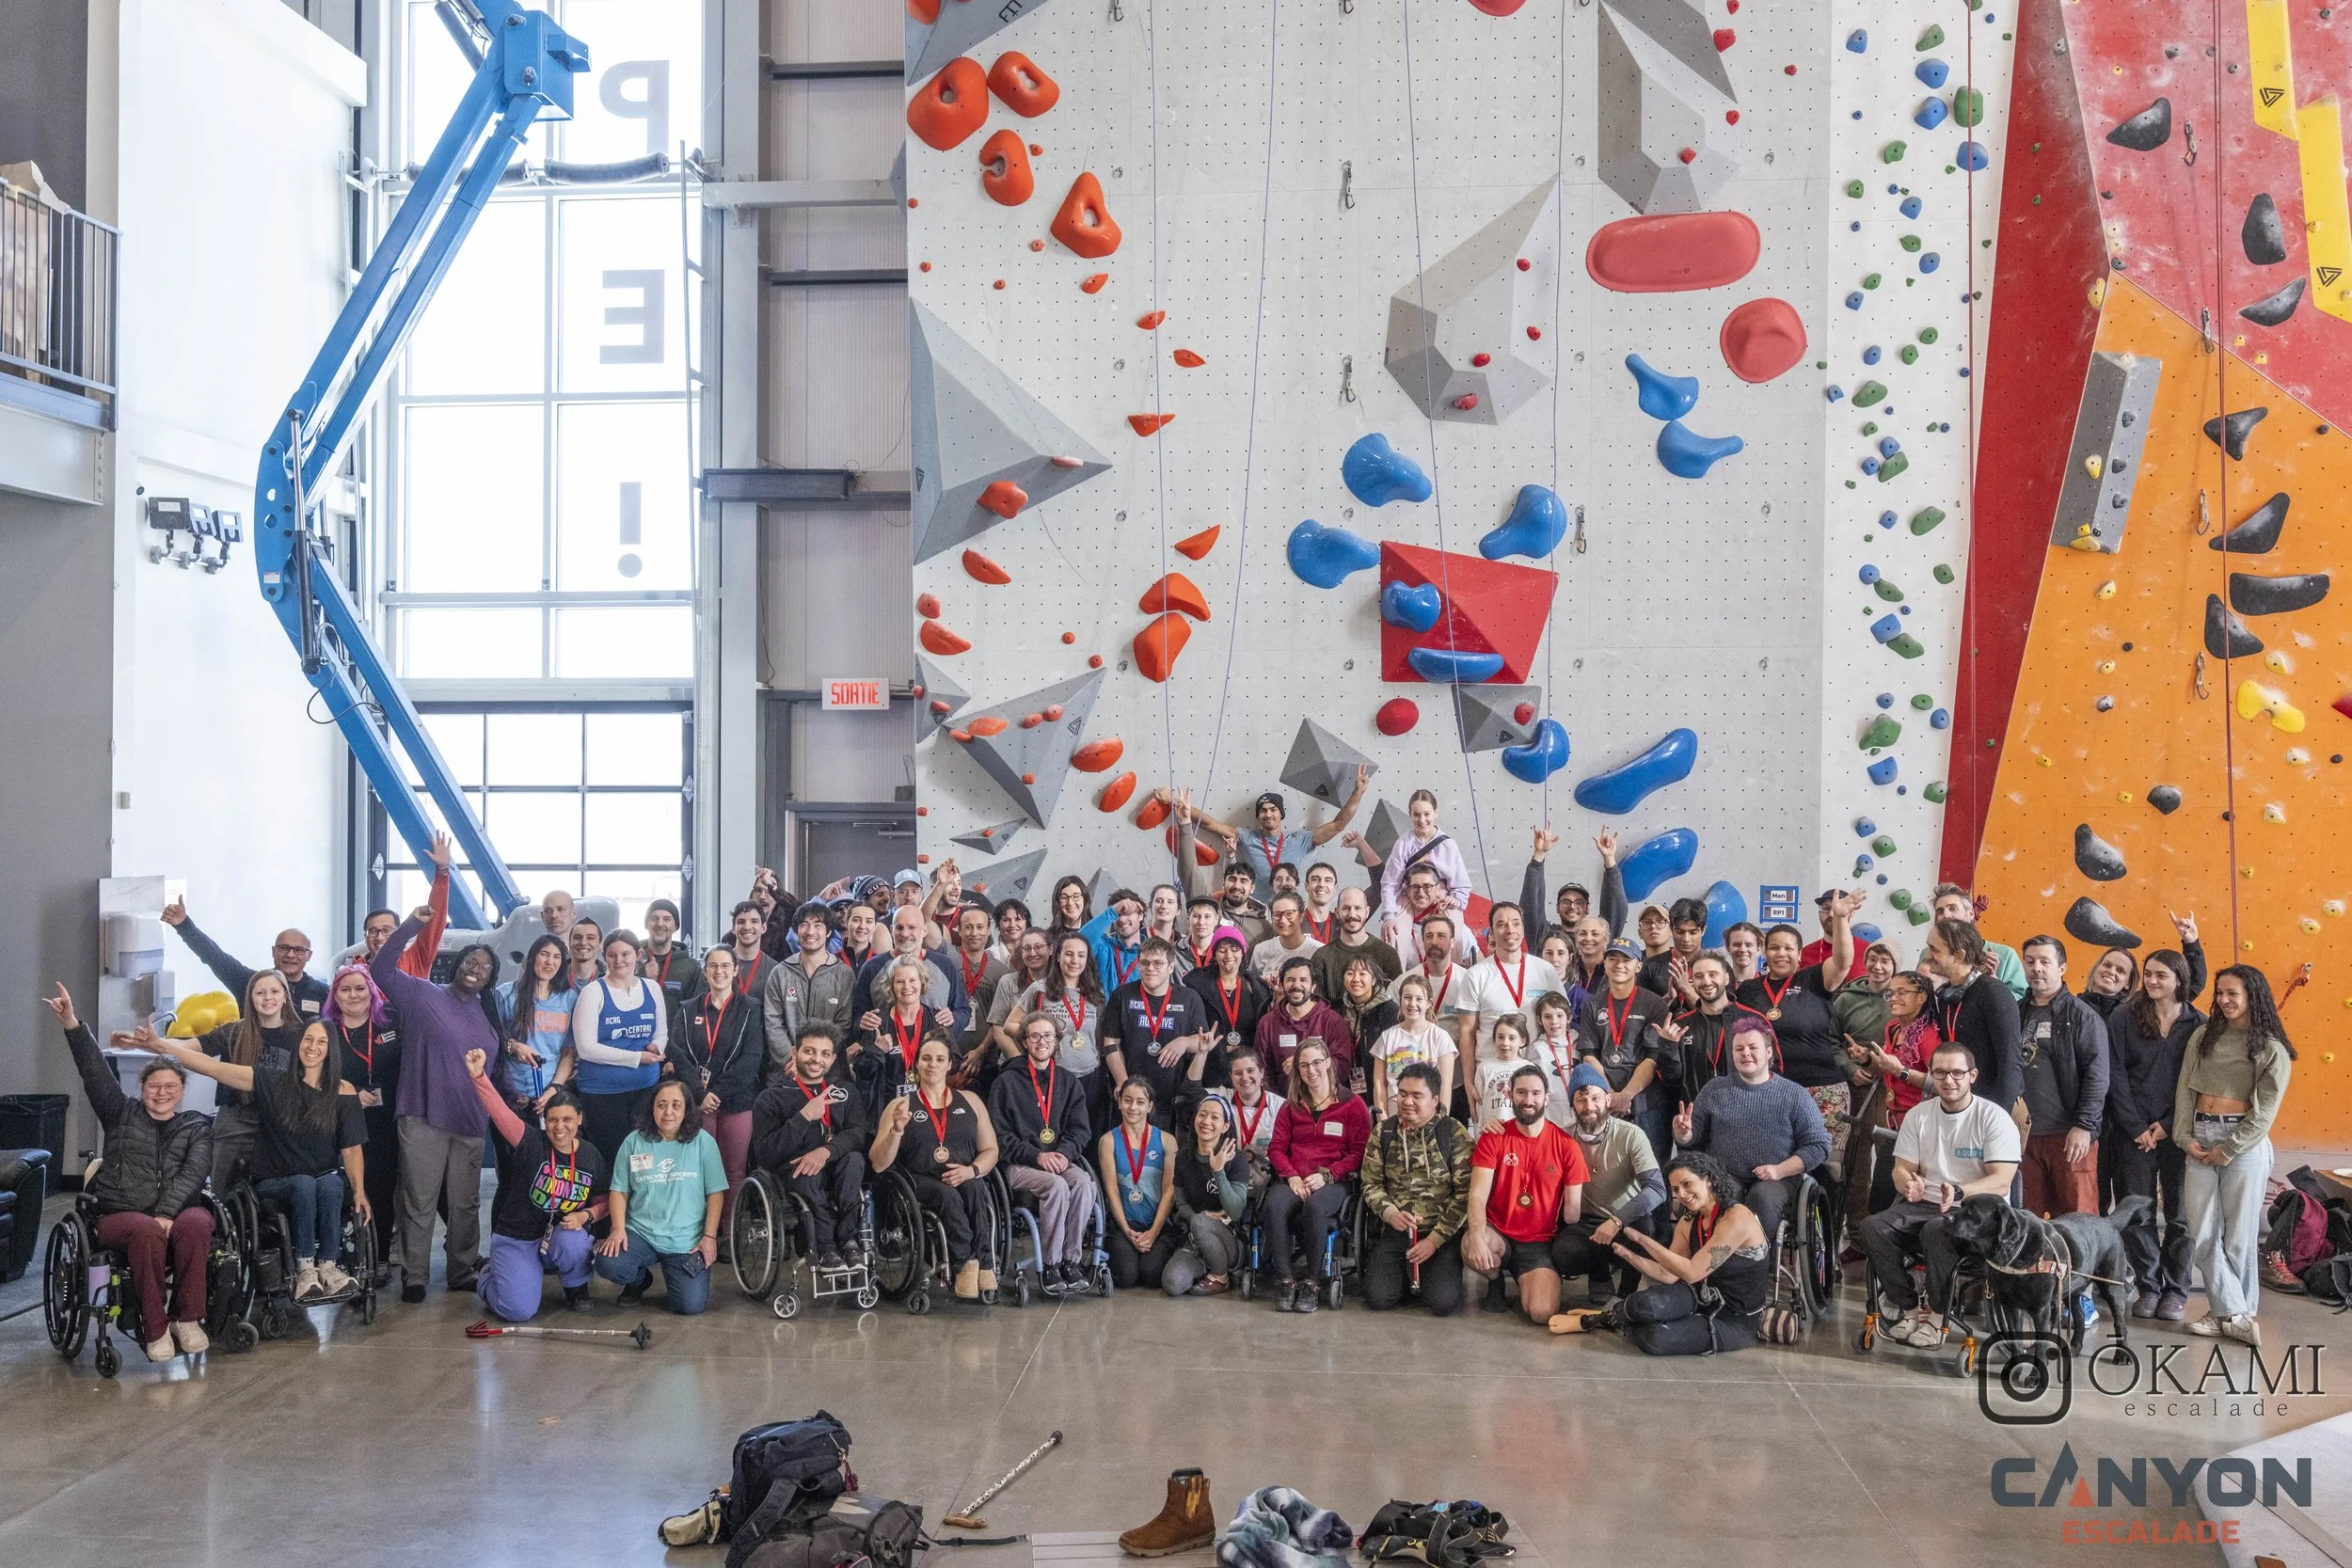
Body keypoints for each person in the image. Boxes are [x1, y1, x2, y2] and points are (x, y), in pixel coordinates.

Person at [45, 985, 215, 1361]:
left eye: (171, 1087)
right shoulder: (120, 1112)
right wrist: (72, 1024)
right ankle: (154, 1328)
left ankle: (188, 1320)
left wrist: (168, 1212)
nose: (162, 1093)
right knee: (145, 1230)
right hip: (119, 1214)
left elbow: (194, 1172)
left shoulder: (196, 1125)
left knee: (199, 1223)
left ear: (182, 1091)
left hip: (179, 1210)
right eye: (154, 1086)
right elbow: (93, 1071)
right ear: (141, 1088)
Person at [151, 1020, 366, 1301]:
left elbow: (351, 1149)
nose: (312, 1047)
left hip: (319, 1180)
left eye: (321, 1042)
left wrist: (360, 1191)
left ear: (331, 1049)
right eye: (307, 1040)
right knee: (304, 1184)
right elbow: (213, 1067)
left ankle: (328, 1266)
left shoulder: (343, 1091)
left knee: (331, 1184)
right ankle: (304, 1271)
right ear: (298, 1045)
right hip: (274, 1181)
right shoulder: (272, 1081)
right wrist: (161, 1046)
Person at [1854, 1043, 2022, 1347]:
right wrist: (1907, 1183)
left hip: (1978, 1212)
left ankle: (1936, 1316)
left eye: (1957, 1072)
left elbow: (2002, 1181)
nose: (1949, 1080)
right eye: (1940, 1072)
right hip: (1925, 1203)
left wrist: (1960, 1191)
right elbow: (1900, 1169)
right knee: (1872, 1227)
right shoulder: (1919, 1116)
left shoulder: (1994, 1119)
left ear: (1972, 1075)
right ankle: (1908, 1306)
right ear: (1931, 1074)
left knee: (1936, 1231)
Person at [374, 914, 502, 1304]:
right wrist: (413, 924)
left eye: (485, 967)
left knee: (465, 1202)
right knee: (419, 1199)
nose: (475, 970)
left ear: (489, 978)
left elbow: (495, 1071)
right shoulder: (422, 994)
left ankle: (462, 1269)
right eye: (470, 961)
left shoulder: (488, 1013)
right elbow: (381, 967)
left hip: (469, 1120)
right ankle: (415, 1276)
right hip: (422, 1115)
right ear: (458, 962)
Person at [2177, 966, 2296, 1346]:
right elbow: (2185, 1090)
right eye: (2220, 994)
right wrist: (2183, 1136)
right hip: (2200, 1134)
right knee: (2202, 1231)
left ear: (2253, 997)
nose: (2224, 1001)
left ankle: (2225, 1311)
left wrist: (2229, 1148)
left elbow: (2264, 1113)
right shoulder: (2203, 1036)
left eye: (2233, 994)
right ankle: (2236, 1313)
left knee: (2239, 1236)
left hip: (2241, 1144)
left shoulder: (2270, 1048)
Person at [1551, 1151, 1770, 1356]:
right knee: (1646, 1303)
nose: (1681, 1194)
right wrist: (1628, 1255)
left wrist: (1642, 1240)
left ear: (1708, 1179)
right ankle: (1603, 1318)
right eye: (1675, 1189)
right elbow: (1668, 1275)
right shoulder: (1689, 1220)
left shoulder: (1736, 1218)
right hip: (1699, 1298)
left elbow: (1692, 1272)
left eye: (1687, 1184)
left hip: (1733, 1320)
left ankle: (1602, 1319)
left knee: (1655, 1337)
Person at [462, 1052, 606, 1319]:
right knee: (518, 1310)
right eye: (552, 1120)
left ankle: (576, 1287)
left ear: (579, 1121)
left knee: (574, 1242)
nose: (559, 1127)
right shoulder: (530, 1141)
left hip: (558, 1237)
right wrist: (479, 1076)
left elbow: (604, 1200)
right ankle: (488, 1278)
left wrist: (587, 1215)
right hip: (518, 1237)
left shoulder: (589, 1155)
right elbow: (498, 1110)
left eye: (567, 1120)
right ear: (545, 1121)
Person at [1671, 1015, 1831, 1243]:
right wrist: (1684, 1132)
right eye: (1739, 1049)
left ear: (1768, 1053)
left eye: (1752, 1047)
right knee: (1722, 1200)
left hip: (1778, 1177)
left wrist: (1780, 1170)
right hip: (1726, 1173)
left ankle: (1755, 1266)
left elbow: (1819, 1145)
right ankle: (1714, 1264)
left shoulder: (1794, 1094)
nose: (1745, 1053)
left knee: (1762, 1200)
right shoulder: (1716, 1088)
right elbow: (1691, 1135)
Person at [2103, 948, 2200, 1320]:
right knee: (2137, 1212)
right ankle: (2148, 1287)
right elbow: (2116, 1075)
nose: (2153, 981)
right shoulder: (2124, 1016)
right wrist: (2138, 1127)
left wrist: (2167, 1125)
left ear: (2180, 980)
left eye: (2162, 975)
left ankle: (2176, 1291)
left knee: (2179, 1216)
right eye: (2148, 974)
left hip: (2178, 1133)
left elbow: (2194, 1084)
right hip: (2133, 1133)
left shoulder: (2198, 1024)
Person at [1733, 896, 1859, 1180]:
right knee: (1779, 1162)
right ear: (1764, 951)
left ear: (1800, 954)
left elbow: (1842, 962)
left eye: (1788, 948)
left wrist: (1839, 919)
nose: (1781, 953)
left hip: (1822, 1088)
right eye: (1774, 947)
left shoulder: (1814, 979)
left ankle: (1826, 1223)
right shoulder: (1749, 990)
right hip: (1772, 1090)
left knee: (1824, 1164)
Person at [871, 1035, 1001, 1301]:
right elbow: (878, 1162)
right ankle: (964, 1262)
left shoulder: (971, 1101)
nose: (932, 1065)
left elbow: (991, 1150)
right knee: (948, 1195)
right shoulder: (900, 1105)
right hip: (919, 1179)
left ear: (949, 1064)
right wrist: (896, 1130)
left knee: (976, 1187)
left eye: (939, 1059)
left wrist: (972, 1170)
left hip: (963, 1174)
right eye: (926, 1059)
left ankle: (985, 1263)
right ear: (916, 1065)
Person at [1462, 1064, 1588, 1323]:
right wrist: (1476, 1236)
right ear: (1510, 1096)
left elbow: (1573, 1214)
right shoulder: (1493, 1137)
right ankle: (1494, 1279)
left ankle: (1534, 1279)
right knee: (1470, 1245)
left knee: (1542, 1314)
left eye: (1535, 1093)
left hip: (1538, 1243)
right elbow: (1477, 1195)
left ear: (1546, 1098)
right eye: (1521, 1093)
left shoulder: (1567, 1147)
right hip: (1498, 1233)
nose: (1528, 1100)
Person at [594, 1079, 725, 1314]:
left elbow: (715, 1194)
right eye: (661, 1104)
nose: (668, 1112)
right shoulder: (633, 1141)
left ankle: (677, 1275)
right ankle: (639, 1280)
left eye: (676, 1105)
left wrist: (709, 1237)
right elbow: (619, 1190)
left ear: (687, 1110)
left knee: (690, 1306)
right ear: (652, 1108)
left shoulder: (704, 1142)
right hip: (641, 1233)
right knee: (610, 1264)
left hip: (686, 1240)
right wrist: (618, 1228)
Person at [988, 1013, 1098, 1294]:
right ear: (1024, 1041)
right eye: (1035, 1036)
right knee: (1057, 1185)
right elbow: (1000, 1137)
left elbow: (1080, 1130)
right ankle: (1051, 1264)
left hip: (1059, 1159)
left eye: (1048, 1036)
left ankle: (1071, 1262)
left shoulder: (1068, 1082)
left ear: (1057, 1040)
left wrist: (1063, 1153)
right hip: (1019, 1164)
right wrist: (1037, 1156)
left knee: (1085, 1183)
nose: (1042, 1042)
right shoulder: (1006, 1083)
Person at [748, 1023, 869, 1269]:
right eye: (809, 1051)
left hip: (834, 1164)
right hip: (793, 1171)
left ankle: (848, 1242)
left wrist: (826, 1151)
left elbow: (857, 1134)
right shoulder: (771, 1097)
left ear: (833, 1058)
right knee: (808, 1176)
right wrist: (803, 1117)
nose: (817, 1059)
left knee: (855, 1160)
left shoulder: (845, 1091)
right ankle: (824, 1247)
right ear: (795, 1053)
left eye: (825, 1054)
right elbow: (765, 1153)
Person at [1547, 1063, 1667, 1306]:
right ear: (1572, 1105)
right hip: (1584, 1222)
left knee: (1644, 1229)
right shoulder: (1561, 1138)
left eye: (1595, 1098)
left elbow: (1656, 1189)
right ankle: (1598, 1272)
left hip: (1627, 1218)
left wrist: (1616, 1221)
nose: (1589, 1106)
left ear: (1608, 1099)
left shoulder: (1631, 1134)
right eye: (1581, 1100)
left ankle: (1627, 1291)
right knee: (1564, 1252)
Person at [1263, 1038, 1370, 1311]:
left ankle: (1312, 1282)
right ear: (1297, 1071)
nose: (1311, 1071)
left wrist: (1330, 1175)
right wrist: (1290, 1175)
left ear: (1328, 1064)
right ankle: (1286, 1280)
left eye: (1316, 1063)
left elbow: (1359, 1153)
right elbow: (1276, 1148)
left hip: (1333, 1181)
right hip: (1295, 1178)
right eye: (1304, 1066)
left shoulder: (1352, 1104)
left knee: (1315, 1206)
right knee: (1273, 1205)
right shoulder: (1291, 1107)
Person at [1359, 1061, 1470, 1315]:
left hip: (1440, 1234)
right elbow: (1371, 1183)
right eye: (1402, 1094)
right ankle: (1409, 1279)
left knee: (1442, 1304)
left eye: (1417, 1095)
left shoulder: (1453, 1133)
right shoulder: (1384, 1132)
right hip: (1397, 1229)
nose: (1407, 1102)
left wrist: (1434, 1240)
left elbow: (1465, 1193)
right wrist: (1389, 1213)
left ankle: (1430, 1278)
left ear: (1435, 1099)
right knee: (1377, 1299)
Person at [671, 944, 763, 1240]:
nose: (719, 971)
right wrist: (699, 1093)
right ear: (705, 969)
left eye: (725, 966)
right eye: (713, 966)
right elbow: (678, 1054)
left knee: (734, 1170)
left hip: (736, 1101)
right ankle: (701, 1230)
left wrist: (717, 1092)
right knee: (700, 1169)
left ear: (736, 970)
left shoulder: (751, 1008)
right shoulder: (688, 1010)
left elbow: (751, 1058)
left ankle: (729, 1232)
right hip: (699, 1102)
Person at [2014, 935, 2109, 1217]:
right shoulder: (2016, 1012)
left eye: (2045, 961)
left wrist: (2084, 1125)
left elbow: (2098, 1075)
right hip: (2025, 1136)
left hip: (2070, 1135)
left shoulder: (2082, 1016)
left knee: (2078, 1221)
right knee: (2030, 1221)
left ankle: (2079, 1266)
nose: (2037, 968)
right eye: (2030, 962)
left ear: (2062, 968)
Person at [195, 969, 308, 1189]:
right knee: (223, 1189)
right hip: (236, 1119)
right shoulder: (236, 1031)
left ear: (285, 996)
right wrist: (153, 1043)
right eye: (260, 993)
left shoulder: (302, 1034)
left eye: (275, 991)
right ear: (251, 998)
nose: (268, 998)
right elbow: (192, 1046)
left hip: (279, 1121)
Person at [568, 931, 670, 1168]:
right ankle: (611, 1206)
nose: (619, 960)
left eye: (625, 954)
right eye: (612, 955)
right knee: (611, 1160)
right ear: (605, 958)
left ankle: (639, 1205)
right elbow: (586, 1049)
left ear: (638, 955)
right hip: (602, 1094)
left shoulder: (652, 988)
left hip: (644, 1090)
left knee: (642, 1160)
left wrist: (657, 1047)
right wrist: (637, 1057)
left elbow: (662, 1032)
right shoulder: (592, 993)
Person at [325, 963, 401, 1275]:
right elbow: (313, 1075)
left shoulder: (392, 1022)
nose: (353, 995)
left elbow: (410, 1067)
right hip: (341, 1124)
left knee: (382, 1191)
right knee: (349, 1191)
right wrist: (349, 1094)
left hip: (386, 1123)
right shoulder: (325, 1031)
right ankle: (345, 1254)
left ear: (372, 992)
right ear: (335, 995)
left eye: (360, 988)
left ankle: (380, 1257)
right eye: (345, 989)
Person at [1575, 937, 1675, 1161]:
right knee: (1606, 1170)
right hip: (1604, 1101)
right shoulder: (1592, 1004)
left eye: (1626, 960)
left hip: (1645, 1104)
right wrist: (1609, 1094)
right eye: (1613, 958)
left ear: (1638, 966)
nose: (1619, 965)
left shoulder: (1654, 1003)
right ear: (1605, 962)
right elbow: (1589, 1055)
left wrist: (1626, 1095)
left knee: (1651, 1170)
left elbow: (1652, 1057)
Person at [1853, 970, 1943, 1212]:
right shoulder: (1893, 1028)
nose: (1893, 998)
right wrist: (1866, 1061)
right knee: (1884, 1196)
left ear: (1922, 997)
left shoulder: (1928, 1036)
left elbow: (1940, 1083)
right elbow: (1887, 1070)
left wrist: (1901, 1070)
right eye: (1890, 993)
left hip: (1921, 1127)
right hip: (1894, 1121)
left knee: (1884, 1196)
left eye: (1902, 993)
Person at [1451, 902, 1563, 1092]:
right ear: (1492, 933)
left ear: (1523, 929)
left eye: (1516, 923)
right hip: (1494, 1078)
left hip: (1539, 1076)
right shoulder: (1477, 975)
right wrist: (1469, 1083)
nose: (1509, 930)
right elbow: (1467, 1034)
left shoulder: (1545, 970)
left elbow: (1562, 1020)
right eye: (1501, 924)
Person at [1922, 917, 2024, 1121]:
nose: (1928, 955)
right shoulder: (1947, 996)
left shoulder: (1994, 993)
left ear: (1959, 955)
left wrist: (1997, 1119)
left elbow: (2010, 1062)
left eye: (1934, 949)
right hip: (1959, 1109)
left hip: (1991, 1112)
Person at [1184, 772, 1371, 884]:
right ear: (1258, 816)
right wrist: (1178, 804)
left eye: (1273, 809)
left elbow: (1338, 825)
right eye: (1263, 811)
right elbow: (1210, 824)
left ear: (1281, 814)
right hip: (1256, 913)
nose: (1268, 814)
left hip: (1290, 911)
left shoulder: (1300, 840)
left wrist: (1358, 793)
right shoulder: (1247, 837)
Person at [1104, 939, 1217, 1121]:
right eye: (1145, 963)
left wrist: (1185, 1042)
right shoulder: (1122, 996)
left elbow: (1202, 1041)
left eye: (1158, 963)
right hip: (1131, 1094)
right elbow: (1111, 1043)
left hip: (1171, 1095)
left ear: (1171, 967)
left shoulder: (1189, 998)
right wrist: (1122, 1081)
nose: (1150, 968)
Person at [161, 895, 328, 1018]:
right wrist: (184, 925)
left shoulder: (323, 993)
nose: (290, 955)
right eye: (284, 948)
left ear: (309, 955)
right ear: (273, 951)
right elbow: (214, 956)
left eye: (298, 950)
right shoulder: (249, 982)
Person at [1009, 931, 1111, 1133]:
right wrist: (1041, 1036)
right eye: (1069, 954)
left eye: (1081, 955)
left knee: (1089, 1136)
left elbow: (1098, 1037)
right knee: (1056, 1134)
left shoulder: (1095, 994)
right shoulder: (1040, 989)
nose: (1075, 961)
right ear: (1057, 956)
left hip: (1091, 1077)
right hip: (1053, 1076)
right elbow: (1010, 1025)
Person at [1162, 1093, 1253, 1296]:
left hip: (1230, 1239)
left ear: (1225, 1126)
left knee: (1202, 1223)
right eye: (1202, 1115)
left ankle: (1221, 1276)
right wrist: (1196, 1218)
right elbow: (1180, 1201)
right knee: (1172, 1284)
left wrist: (1218, 1171)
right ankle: (1206, 1267)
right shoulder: (1184, 1157)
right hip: (1195, 1237)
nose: (1206, 1122)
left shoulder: (1236, 1158)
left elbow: (1237, 1211)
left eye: (1214, 1117)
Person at [1096, 1076, 1178, 1290]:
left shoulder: (1167, 1141)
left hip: (1158, 1225)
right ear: (1119, 1102)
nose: (1133, 1107)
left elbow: (1169, 1190)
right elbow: (1111, 1190)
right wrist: (1126, 1230)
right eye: (1127, 1100)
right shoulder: (1108, 1141)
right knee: (1126, 1277)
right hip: (1124, 1224)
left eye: (1140, 1102)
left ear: (1150, 1106)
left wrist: (1153, 1232)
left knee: (1152, 1276)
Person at [766, 901, 857, 1072]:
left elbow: (843, 1025)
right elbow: (773, 1023)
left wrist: (817, 1059)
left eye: (818, 925)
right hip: (786, 1070)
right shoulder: (780, 973)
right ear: (796, 930)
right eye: (804, 925)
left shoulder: (844, 975)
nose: (810, 932)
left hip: (829, 1071)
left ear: (828, 931)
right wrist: (793, 1058)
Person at [1376, 789, 1473, 947]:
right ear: (1410, 815)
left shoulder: (1448, 845)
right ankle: (1397, 972)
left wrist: (1454, 900)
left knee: (1454, 932)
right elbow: (1390, 883)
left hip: (1440, 896)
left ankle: (1452, 971)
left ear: (1436, 813)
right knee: (1393, 934)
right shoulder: (1403, 844)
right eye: (1416, 815)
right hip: (1410, 896)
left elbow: (1461, 884)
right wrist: (1388, 915)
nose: (1422, 820)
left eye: (1426, 814)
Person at [1661, 953, 1765, 1101]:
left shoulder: (1754, 1020)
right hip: (1696, 1115)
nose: (1706, 981)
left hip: (1746, 1111)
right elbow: (1670, 1079)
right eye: (1699, 976)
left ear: (1726, 978)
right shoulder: (1680, 1025)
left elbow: (1774, 1068)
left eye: (1713, 974)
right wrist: (1668, 1048)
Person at [1251, 957, 1357, 1095]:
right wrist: (1277, 1104)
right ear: (1282, 985)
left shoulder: (1332, 1020)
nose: (1296, 985)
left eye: (1303, 980)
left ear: (1313, 987)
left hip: (1325, 1103)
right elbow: (1262, 1070)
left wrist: (1304, 1063)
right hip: (1283, 1105)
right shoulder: (1268, 1023)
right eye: (1290, 980)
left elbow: (1342, 1066)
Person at [494, 934, 575, 1111]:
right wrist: (513, 1046)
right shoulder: (506, 994)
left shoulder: (569, 999)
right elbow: (492, 1039)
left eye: (557, 957)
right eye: (544, 954)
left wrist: (554, 1089)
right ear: (533, 957)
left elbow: (568, 1052)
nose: (550, 962)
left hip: (549, 1094)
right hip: (512, 1093)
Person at [1371, 973, 1457, 1113]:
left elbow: (1445, 1086)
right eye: (1407, 998)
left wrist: (1441, 1121)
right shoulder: (1387, 1037)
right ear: (1400, 1000)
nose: (1412, 1004)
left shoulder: (1440, 1037)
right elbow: (1379, 1083)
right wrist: (1382, 1120)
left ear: (1429, 1003)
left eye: (1419, 999)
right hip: (1395, 1117)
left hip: (1428, 1119)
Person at [1929, 884, 2027, 1000]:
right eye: (1940, 911)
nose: (1945, 915)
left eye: (1952, 908)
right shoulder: (1929, 954)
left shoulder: (2006, 955)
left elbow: (2021, 1002)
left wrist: (1994, 980)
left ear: (1970, 913)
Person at [1310, 886, 1403, 1004]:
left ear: (1367, 912)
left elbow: (1398, 1004)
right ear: (1337, 913)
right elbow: (1317, 1010)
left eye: (1358, 908)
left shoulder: (1387, 954)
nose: (1352, 914)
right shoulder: (1322, 957)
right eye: (1346, 908)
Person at [1331, 953, 1398, 1085]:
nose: (1356, 979)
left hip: (1380, 1083)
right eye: (1350, 973)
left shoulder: (1390, 1011)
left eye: (1362, 974)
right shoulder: (1337, 1010)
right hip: (1345, 1085)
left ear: (1373, 980)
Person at [1470, 1015, 1540, 1130]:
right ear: (1494, 1039)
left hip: (1521, 1133)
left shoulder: (1530, 1068)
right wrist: (1480, 1136)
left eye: (1512, 1038)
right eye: (1501, 1037)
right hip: (1493, 1132)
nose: (1505, 1043)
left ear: (1522, 1041)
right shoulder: (1485, 1068)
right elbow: (1480, 1107)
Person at [1227, 1048, 1284, 1181]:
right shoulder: (1222, 1101)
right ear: (1231, 1077)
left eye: (1250, 1071)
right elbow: (1191, 1094)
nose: (1245, 1077)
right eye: (1238, 1073)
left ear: (1262, 1072)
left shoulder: (1281, 1106)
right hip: (1231, 1178)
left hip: (1270, 1179)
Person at [1082, 887, 1148, 998]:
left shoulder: (1150, 952)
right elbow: (1078, 943)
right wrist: (1111, 912)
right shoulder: (1104, 945)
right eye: (1118, 914)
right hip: (1106, 1014)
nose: (1121, 920)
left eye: (1127, 913)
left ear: (1141, 915)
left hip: (1136, 1014)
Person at [1249, 892, 1324, 984]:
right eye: (1277, 914)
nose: (1283, 920)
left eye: (1289, 914)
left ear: (1301, 916)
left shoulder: (1319, 951)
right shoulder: (1261, 950)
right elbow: (1254, 986)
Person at [643, 898, 702, 1007]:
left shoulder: (691, 968)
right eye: (654, 918)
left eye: (667, 919)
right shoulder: (631, 962)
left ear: (676, 927)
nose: (660, 924)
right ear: (646, 924)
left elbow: (696, 1010)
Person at [564, 917, 606, 991]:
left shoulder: (609, 979)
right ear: (569, 943)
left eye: (590, 938)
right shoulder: (554, 976)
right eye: (577, 938)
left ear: (600, 945)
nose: (583, 943)